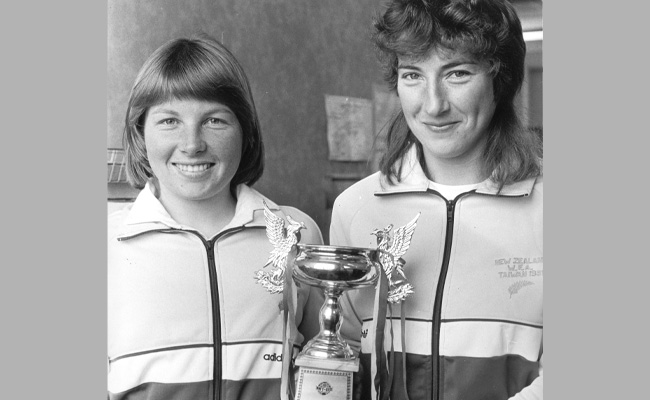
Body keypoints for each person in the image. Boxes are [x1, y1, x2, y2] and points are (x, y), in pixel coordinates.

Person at [330, 1, 543, 399]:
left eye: (457, 73)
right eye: (413, 75)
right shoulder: (354, 209)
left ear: (502, 80)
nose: (433, 105)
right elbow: (345, 357)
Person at [107, 36, 323, 400]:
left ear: (245, 130)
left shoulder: (296, 234)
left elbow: (324, 370)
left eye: (214, 120)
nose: (192, 144)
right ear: (140, 133)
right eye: (169, 120)